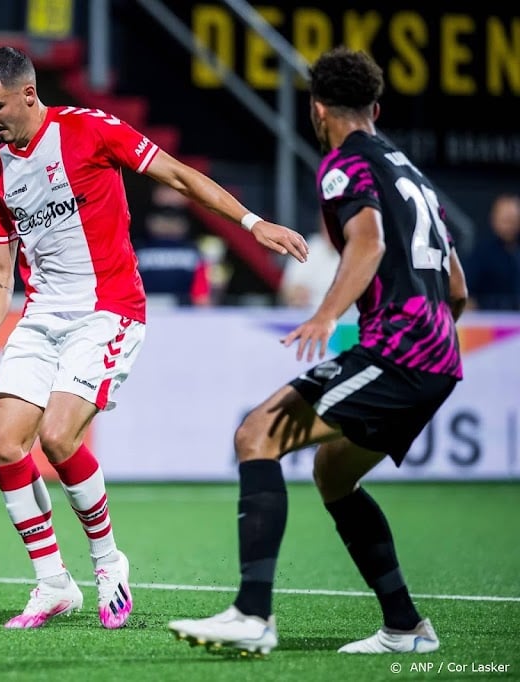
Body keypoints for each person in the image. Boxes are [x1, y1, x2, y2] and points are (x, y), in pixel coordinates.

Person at [0, 46, 307, 631]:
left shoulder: (90, 131)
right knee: (3, 444)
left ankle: (108, 564)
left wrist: (254, 223)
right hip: (42, 315)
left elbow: (178, 174)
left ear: (28, 93)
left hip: (108, 309)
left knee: (57, 435)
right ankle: (52, 583)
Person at [168, 46, 468, 656]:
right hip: (436, 354)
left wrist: (328, 314)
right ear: (376, 107)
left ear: (317, 109)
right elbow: (457, 288)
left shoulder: (342, 165)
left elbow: (370, 241)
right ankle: (406, 628)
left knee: (257, 435)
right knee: (334, 475)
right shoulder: (414, 174)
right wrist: (432, 337)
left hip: (400, 351)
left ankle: (252, 615)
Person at [134, 184, 212, 306]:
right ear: (150, 221)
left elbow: (201, 294)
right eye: (162, 217)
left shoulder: (193, 251)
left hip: (182, 312)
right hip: (144, 309)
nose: (168, 223)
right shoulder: (137, 249)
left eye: (174, 218)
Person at [464, 192, 520, 310]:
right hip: (491, 320)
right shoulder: (481, 253)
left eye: (514, 220)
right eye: (506, 220)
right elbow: (466, 296)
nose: (510, 226)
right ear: (494, 219)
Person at [279, 217, 342, 310]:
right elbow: (287, 290)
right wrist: (297, 294)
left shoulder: (360, 250)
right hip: (311, 315)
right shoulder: (309, 247)